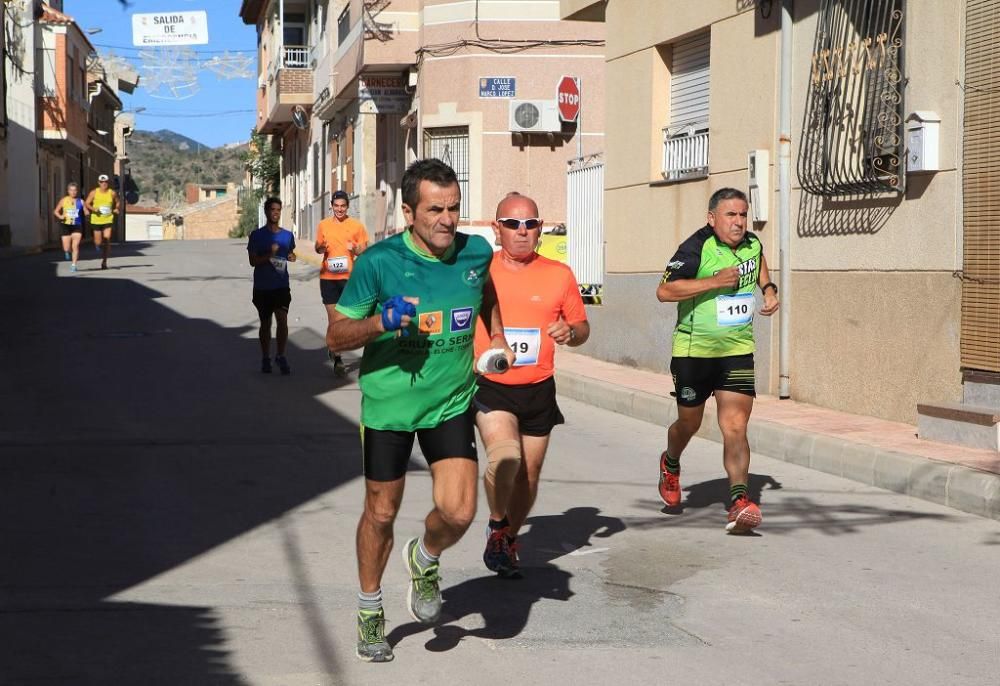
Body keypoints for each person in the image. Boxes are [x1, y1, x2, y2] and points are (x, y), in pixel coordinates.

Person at [326, 158, 514, 663]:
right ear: (409, 211)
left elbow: (485, 292)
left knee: (460, 511)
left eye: (454, 208)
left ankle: (425, 556)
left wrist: (495, 334)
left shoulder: (476, 252)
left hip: (450, 401)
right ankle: (370, 609)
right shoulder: (379, 263)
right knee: (381, 512)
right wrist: (380, 323)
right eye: (435, 210)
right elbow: (336, 335)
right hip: (389, 407)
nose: (447, 220)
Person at [473, 192, 589, 578]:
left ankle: (508, 534)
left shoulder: (559, 274)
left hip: (538, 387)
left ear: (540, 228)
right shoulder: (479, 271)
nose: (522, 232)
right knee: (506, 456)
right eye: (512, 223)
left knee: (529, 475)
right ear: (496, 228)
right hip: (491, 385)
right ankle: (494, 524)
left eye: (531, 224)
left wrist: (571, 331)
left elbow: (583, 327)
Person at [655, 187, 779, 533]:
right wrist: (715, 281)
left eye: (743, 214)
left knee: (735, 426)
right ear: (712, 218)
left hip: (737, 350)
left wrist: (769, 290)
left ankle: (739, 500)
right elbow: (664, 291)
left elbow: (759, 261)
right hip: (694, 353)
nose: (739, 222)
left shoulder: (752, 244)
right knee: (689, 424)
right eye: (730, 215)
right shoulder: (696, 248)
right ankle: (671, 460)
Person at [314, 190, 369, 376]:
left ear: (347, 206)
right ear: (331, 205)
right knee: (333, 319)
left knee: (346, 319)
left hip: (347, 279)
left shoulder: (356, 226)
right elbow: (317, 247)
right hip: (328, 278)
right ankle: (337, 357)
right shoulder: (323, 225)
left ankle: (335, 347)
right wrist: (320, 247)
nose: (339, 209)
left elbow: (364, 249)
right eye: (336, 206)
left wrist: (356, 248)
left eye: (343, 206)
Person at [247, 197, 297, 375]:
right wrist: (270, 254)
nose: (275, 213)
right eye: (272, 210)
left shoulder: (287, 235)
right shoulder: (257, 236)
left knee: (282, 321)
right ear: (266, 212)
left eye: (278, 210)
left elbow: (291, 253)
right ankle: (265, 357)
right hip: (262, 287)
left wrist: (292, 257)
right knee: (265, 324)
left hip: (281, 285)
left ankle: (281, 355)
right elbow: (253, 261)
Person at [84, 174, 119, 270]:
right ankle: (97, 245)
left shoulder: (112, 193)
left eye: (106, 182)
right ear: (98, 183)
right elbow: (87, 203)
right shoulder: (94, 192)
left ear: (108, 183)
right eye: (102, 182)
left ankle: (104, 262)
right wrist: (93, 209)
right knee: (98, 242)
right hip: (96, 219)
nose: (104, 184)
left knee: (107, 239)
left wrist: (116, 208)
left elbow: (118, 202)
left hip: (108, 219)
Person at [53, 182, 88, 272]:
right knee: (67, 247)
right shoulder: (64, 200)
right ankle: (67, 251)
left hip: (77, 225)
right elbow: (56, 211)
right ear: (68, 191)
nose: (73, 192)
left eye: (75, 190)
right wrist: (60, 216)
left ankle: (74, 265)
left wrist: (87, 212)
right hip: (66, 225)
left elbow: (85, 210)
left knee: (75, 246)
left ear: (77, 191)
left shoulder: (81, 201)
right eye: (71, 190)